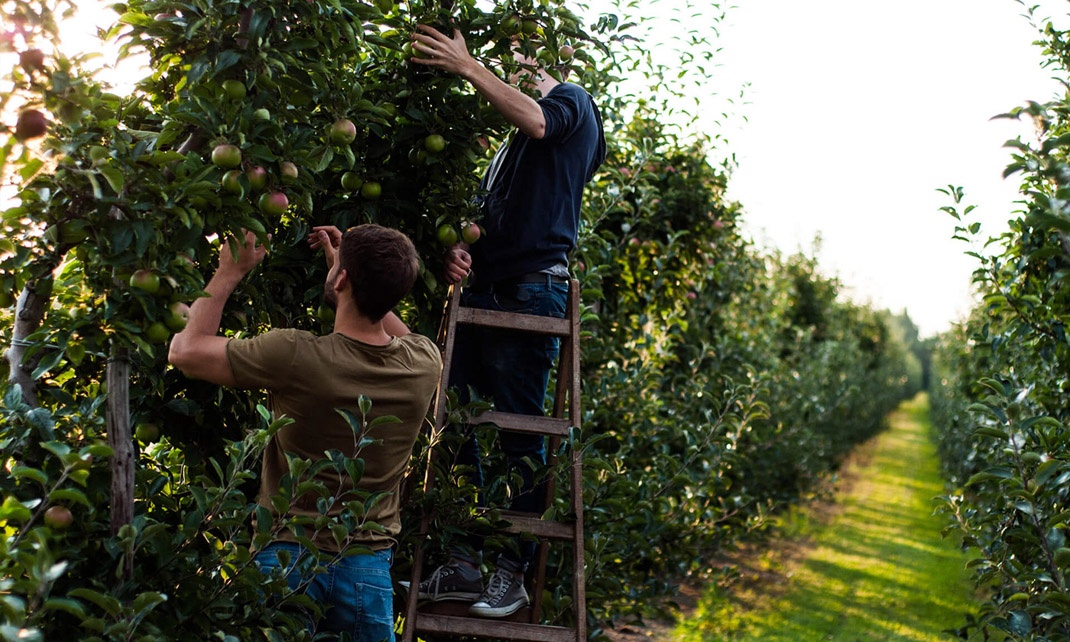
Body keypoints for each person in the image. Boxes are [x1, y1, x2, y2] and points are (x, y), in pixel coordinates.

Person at [403, 24, 606, 618]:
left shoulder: (572, 103)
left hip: (529, 296)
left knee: (520, 436)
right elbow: (496, 215)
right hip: (485, 291)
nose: (506, 60)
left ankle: (511, 571)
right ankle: (463, 563)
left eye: (519, 52)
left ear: (546, 57)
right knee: (458, 427)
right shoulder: (508, 150)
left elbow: (540, 121)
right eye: (502, 53)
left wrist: (468, 68)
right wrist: (462, 251)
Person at [168, 224, 442, 642]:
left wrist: (230, 271)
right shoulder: (424, 364)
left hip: (286, 556)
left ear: (344, 280)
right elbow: (385, 310)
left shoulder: (296, 356)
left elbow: (185, 351)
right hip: (366, 566)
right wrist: (345, 270)